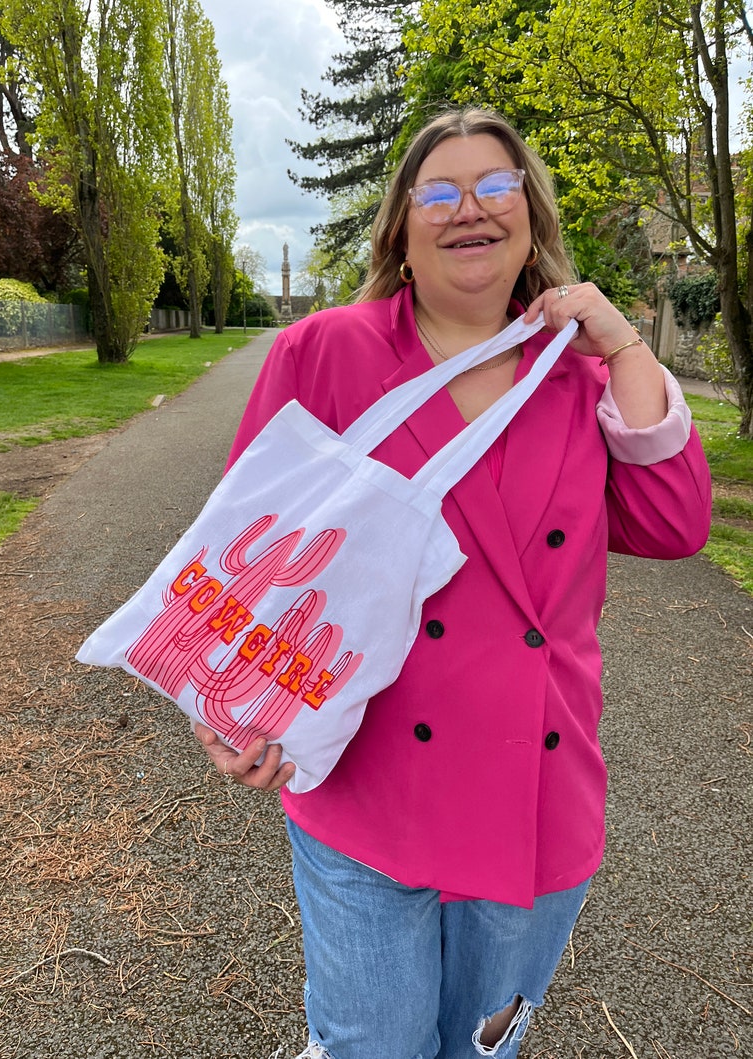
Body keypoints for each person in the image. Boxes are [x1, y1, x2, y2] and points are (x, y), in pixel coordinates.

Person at [194, 108, 712, 1059]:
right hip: (368, 783)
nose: (467, 209)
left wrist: (625, 347)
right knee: (370, 1047)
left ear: (530, 217)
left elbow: (676, 525)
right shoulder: (326, 353)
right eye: (438, 191)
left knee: (481, 1048)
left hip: (537, 791)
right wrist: (232, 703)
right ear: (400, 227)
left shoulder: (577, 377)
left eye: (494, 186)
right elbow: (243, 559)